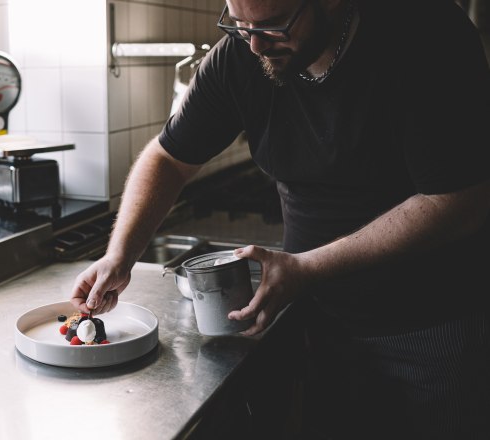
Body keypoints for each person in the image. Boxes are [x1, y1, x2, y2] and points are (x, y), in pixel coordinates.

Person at [70, 0, 490, 437]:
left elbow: (458, 202)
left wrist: (308, 266)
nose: (254, 44)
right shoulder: (241, 57)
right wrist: (120, 256)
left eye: (273, 26)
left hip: (433, 328)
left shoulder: (425, 34)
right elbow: (168, 159)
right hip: (316, 322)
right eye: (238, 25)